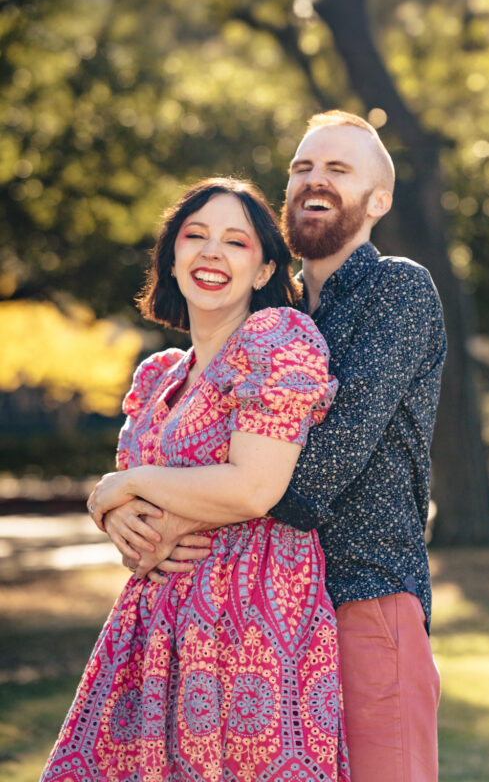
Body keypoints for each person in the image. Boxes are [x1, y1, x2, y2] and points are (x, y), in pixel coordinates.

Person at [111, 112, 447, 782]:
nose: (314, 179)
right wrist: (119, 507)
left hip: (363, 599)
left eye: (338, 169)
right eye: (302, 167)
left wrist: (153, 507)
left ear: (378, 200)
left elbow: (317, 472)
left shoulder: (397, 290)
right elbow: (205, 444)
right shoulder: (272, 317)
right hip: (263, 625)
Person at [41, 177, 350, 782]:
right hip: (151, 635)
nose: (211, 252)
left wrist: (120, 487)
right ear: (172, 259)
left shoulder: (275, 339)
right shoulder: (158, 375)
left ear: (263, 271)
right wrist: (113, 510)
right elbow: (144, 516)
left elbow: (253, 488)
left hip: (250, 624)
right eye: (195, 236)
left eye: (236, 242)